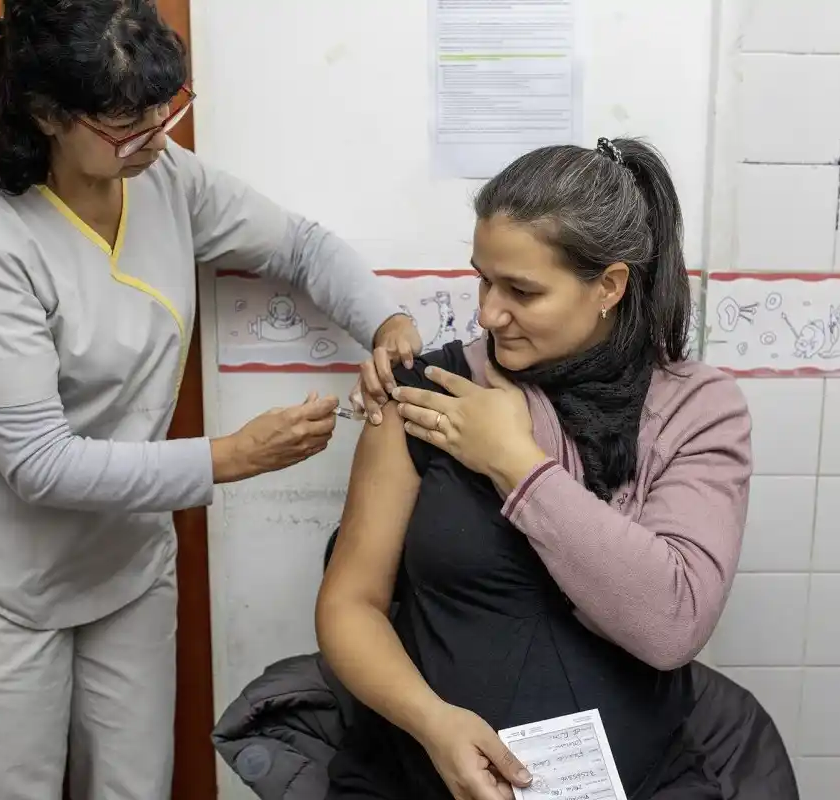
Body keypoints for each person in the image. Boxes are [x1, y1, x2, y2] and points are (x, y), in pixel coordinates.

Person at [0, 2, 420, 799]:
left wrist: (387, 321)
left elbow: (300, 245)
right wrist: (232, 457)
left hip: (125, 559)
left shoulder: (163, 178)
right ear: (46, 115)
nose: (152, 138)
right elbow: (38, 464)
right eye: (122, 125)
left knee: (137, 787)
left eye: (162, 114)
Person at [316, 137, 753, 800]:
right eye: (482, 279)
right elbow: (351, 604)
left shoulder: (695, 409)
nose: (488, 313)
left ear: (607, 286)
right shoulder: (423, 391)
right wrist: (433, 724)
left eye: (521, 290)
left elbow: (671, 624)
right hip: (419, 773)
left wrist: (516, 464)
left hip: (637, 782)